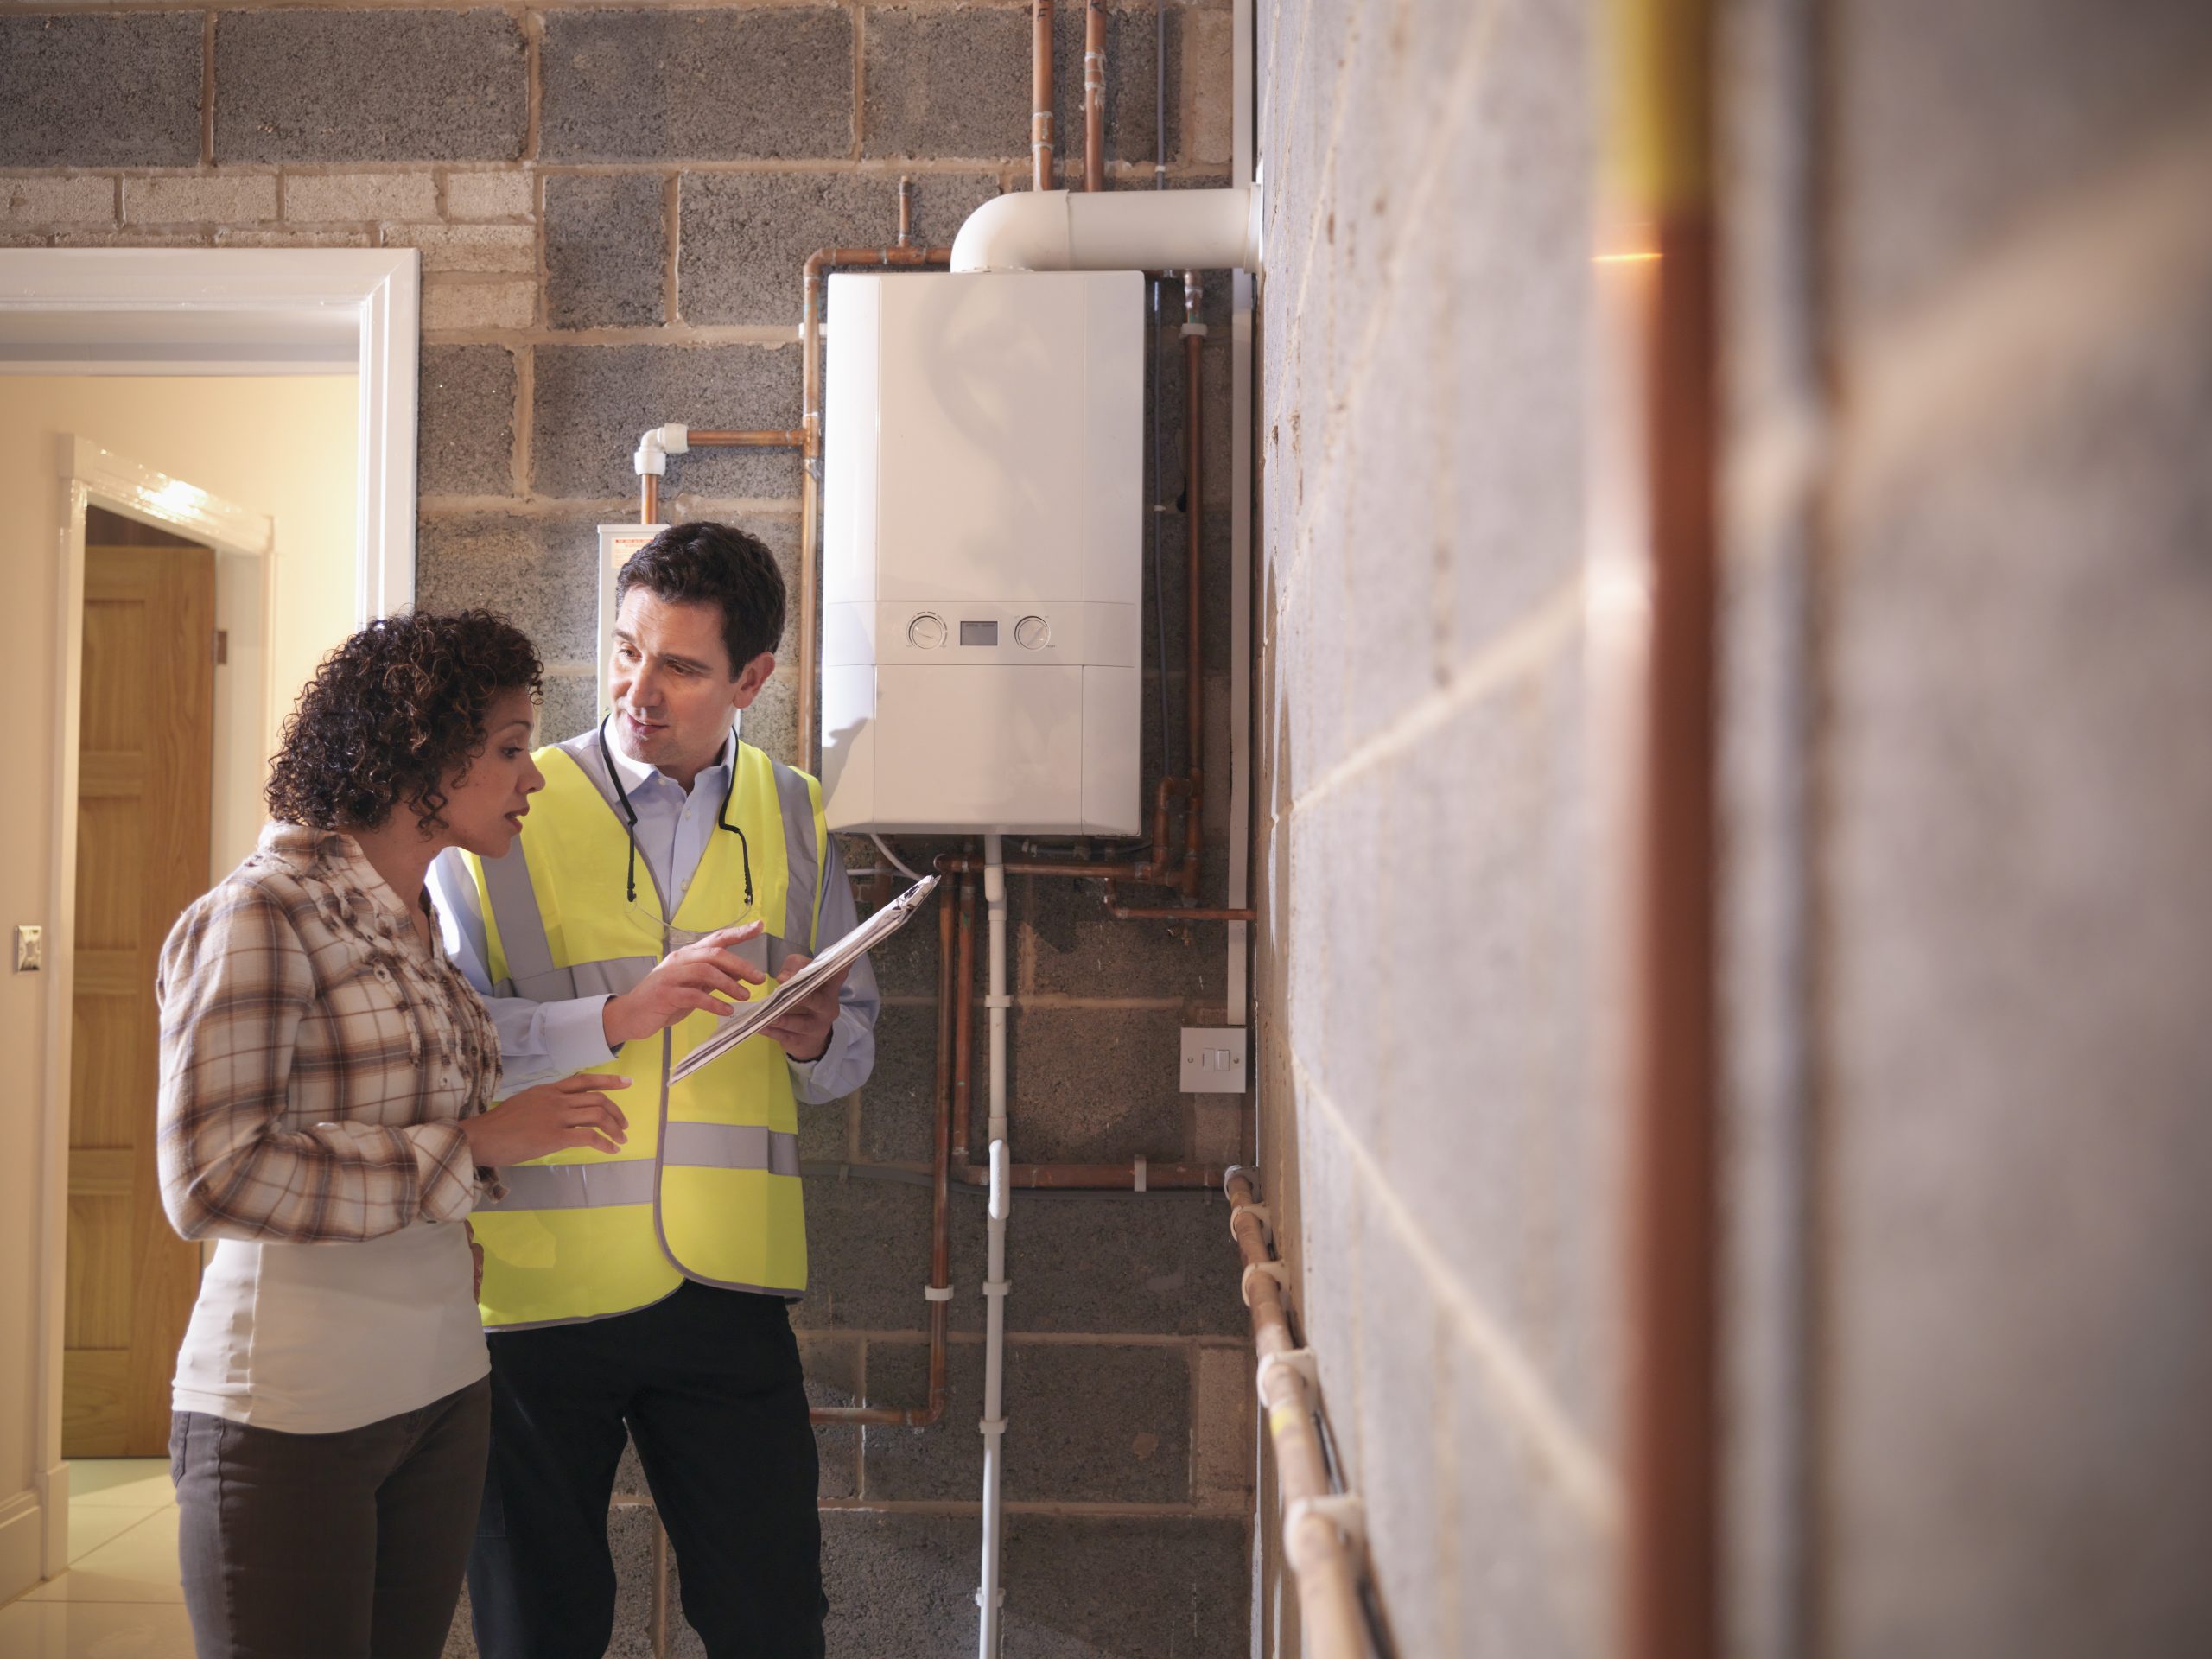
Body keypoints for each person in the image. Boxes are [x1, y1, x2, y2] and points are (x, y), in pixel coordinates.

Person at [431, 521, 880, 1659]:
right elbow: (445, 1042)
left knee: (773, 1623)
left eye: (680, 666)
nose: (639, 689)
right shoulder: (498, 807)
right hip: (532, 1297)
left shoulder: (796, 814)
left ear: (753, 679)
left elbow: (853, 1057)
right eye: (626, 651)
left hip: (728, 1297)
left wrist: (818, 1035)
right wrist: (615, 1015)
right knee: (539, 1628)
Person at [156, 609, 635, 1659]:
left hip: (441, 1395)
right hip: (289, 1414)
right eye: (509, 749)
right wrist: (472, 1150)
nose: (534, 777)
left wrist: (450, 1200)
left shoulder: (416, 919)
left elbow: (384, 1128)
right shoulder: (261, 915)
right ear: (421, 751)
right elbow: (210, 1178)